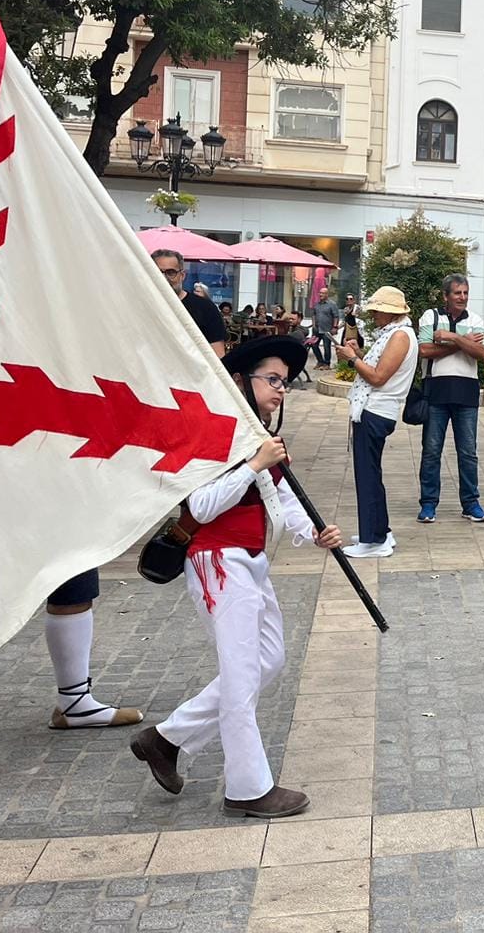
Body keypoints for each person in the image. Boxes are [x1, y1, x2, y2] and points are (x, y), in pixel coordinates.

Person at [130, 336, 343, 818]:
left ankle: (167, 738)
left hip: (248, 562)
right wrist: (253, 465)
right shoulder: (216, 434)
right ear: (241, 380)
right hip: (216, 560)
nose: (281, 389)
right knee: (244, 673)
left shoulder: (258, 438)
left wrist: (318, 533)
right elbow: (201, 506)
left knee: (269, 661)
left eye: (285, 382)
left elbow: (283, 500)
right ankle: (248, 788)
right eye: (272, 379)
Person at [337, 287, 417, 558]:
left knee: (368, 476)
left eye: (376, 310)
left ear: (388, 311)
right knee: (370, 474)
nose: (372, 314)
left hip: (376, 411)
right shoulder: (395, 334)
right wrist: (358, 355)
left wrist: (353, 359)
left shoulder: (400, 336)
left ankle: (374, 539)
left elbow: (378, 377)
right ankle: (378, 530)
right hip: (374, 410)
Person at [417, 275, 484, 525]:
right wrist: (463, 342)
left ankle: (471, 503)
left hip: (466, 391)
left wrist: (452, 338)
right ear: (445, 295)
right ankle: (428, 503)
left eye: (465, 293)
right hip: (436, 390)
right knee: (431, 450)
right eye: (457, 293)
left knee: (468, 452)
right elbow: (424, 350)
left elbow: (481, 353)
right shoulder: (431, 316)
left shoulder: (476, 319)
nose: (462, 297)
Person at [152, 248, 227, 356]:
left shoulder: (206, 308)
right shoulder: (139, 306)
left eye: (171, 272)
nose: (164, 278)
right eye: (157, 272)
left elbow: (218, 355)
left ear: (182, 275)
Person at [310, 291, 340, 369]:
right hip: (317, 329)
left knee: (327, 347)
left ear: (327, 294)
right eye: (319, 293)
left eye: (322, 293)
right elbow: (313, 315)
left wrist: (335, 327)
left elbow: (336, 316)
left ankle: (327, 364)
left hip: (327, 330)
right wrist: (313, 325)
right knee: (314, 345)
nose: (320, 294)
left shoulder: (332, 304)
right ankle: (320, 361)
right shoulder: (317, 304)